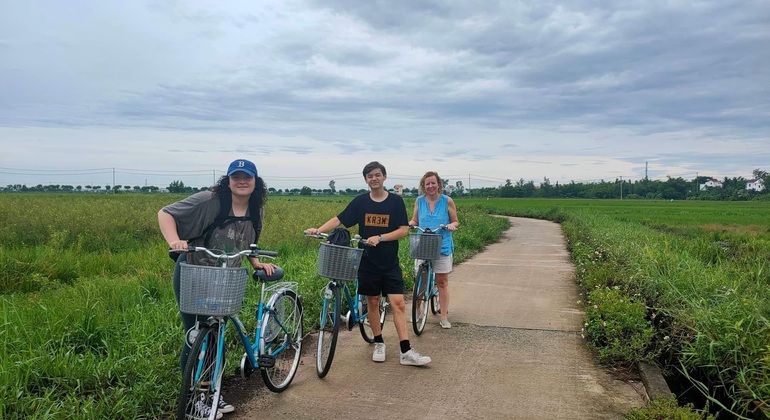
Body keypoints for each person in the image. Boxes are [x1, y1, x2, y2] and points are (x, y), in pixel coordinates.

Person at [158, 158, 278, 418]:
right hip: (194, 273)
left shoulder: (256, 208)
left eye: (247, 176)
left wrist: (256, 262)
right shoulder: (209, 200)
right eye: (236, 177)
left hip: (226, 278)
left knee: (217, 334)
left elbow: (248, 240)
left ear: (256, 182)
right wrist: (175, 240)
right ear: (228, 180)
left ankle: (212, 392)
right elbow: (166, 213)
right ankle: (193, 398)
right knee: (196, 335)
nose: (242, 181)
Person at [305, 161, 431, 366]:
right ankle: (379, 342)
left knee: (397, 303)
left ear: (384, 177)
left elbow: (403, 230)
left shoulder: (395, 202)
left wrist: (380, 237)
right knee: (372, 302)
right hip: (367, 262)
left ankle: (406, 351)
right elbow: (339, 219)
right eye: (370, 176)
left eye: (377, 175)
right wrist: (318, 230)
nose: (374, 178)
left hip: (390, 262)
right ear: (366, 179)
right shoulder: (361, 202)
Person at [409, 171, 459, 329]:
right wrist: (408, 223)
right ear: (423, 186)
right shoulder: (419, 201)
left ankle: (444, 316)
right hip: (423, 243)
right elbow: (415, 219)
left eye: (433, 183)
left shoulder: (447, 201)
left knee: (442, 282)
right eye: (427, 183)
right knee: (420, 282)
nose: (430, 186)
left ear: (439, 184)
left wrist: (452, 225)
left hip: (442, 244)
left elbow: (455, 221)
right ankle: (418, 310)